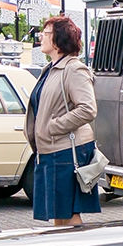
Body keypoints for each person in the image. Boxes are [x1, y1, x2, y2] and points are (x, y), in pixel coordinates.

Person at [25, 15, 100, 228]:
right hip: (50, 150)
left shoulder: (73, 69)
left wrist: (53, 127)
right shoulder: (49, 69)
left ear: (59, 39)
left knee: (69, 214)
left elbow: (87, 109)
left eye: (46, 33)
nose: (41, 36)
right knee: (58, 212)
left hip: (66, 149)